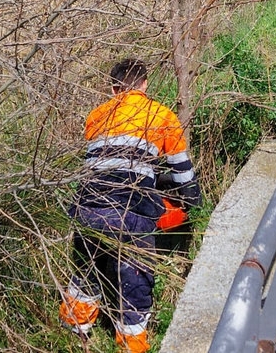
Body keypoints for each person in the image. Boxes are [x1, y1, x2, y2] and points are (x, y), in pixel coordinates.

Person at [59, 58, 201, 353]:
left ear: (113, 88)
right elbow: (181, 169)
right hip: (130, 211)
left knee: (88, 267)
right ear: (144, 84)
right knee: (134, 277)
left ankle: (75, 332)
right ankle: (131, 346)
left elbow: (109, 159)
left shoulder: (96, 116)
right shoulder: (161, 115)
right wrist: (193, 199)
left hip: (88, 205)